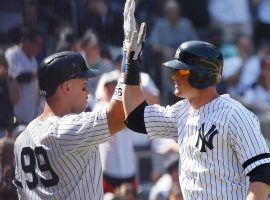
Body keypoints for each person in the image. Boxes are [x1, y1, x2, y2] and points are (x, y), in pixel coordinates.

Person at [122, 2, 270, 198]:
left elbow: (263, 174)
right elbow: (135, 117)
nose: (174, 75)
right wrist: (130, 61)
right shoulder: (180, 112)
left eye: (181, 70)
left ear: (202, 75)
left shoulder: (235, 114)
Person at [13, 51, 125, 199]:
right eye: (84, 86)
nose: (88, 93)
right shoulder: (67, 127)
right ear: (66, 87)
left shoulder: (22, 139)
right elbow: (119, 115)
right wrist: (128, 68)